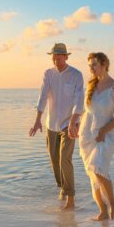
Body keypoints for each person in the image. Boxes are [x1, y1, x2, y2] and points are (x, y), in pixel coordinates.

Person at [29, 43, 84, 210]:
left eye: (60, 55)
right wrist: (37, 119)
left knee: (65, 159)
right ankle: (62, 188)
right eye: (54, 55)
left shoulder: (76, 75)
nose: (57, 58)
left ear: (66, 57)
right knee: (54, 161)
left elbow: (79, 99)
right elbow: (43, 96)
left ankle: (71, 199)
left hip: (69, 124)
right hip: (51, 124)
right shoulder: (48, 74)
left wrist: (75, 119)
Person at [78, 52, 114, 221]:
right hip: (87, 135)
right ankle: (102, 211)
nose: (91, 68)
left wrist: (103, 131)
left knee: (98, 169)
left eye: (94, 65)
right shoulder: (91, 86)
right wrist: (74, 125)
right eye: (89, 65)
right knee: (92, 173)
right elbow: (86, 111)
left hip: (106, 134)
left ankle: (112, 203)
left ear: (105, 64)